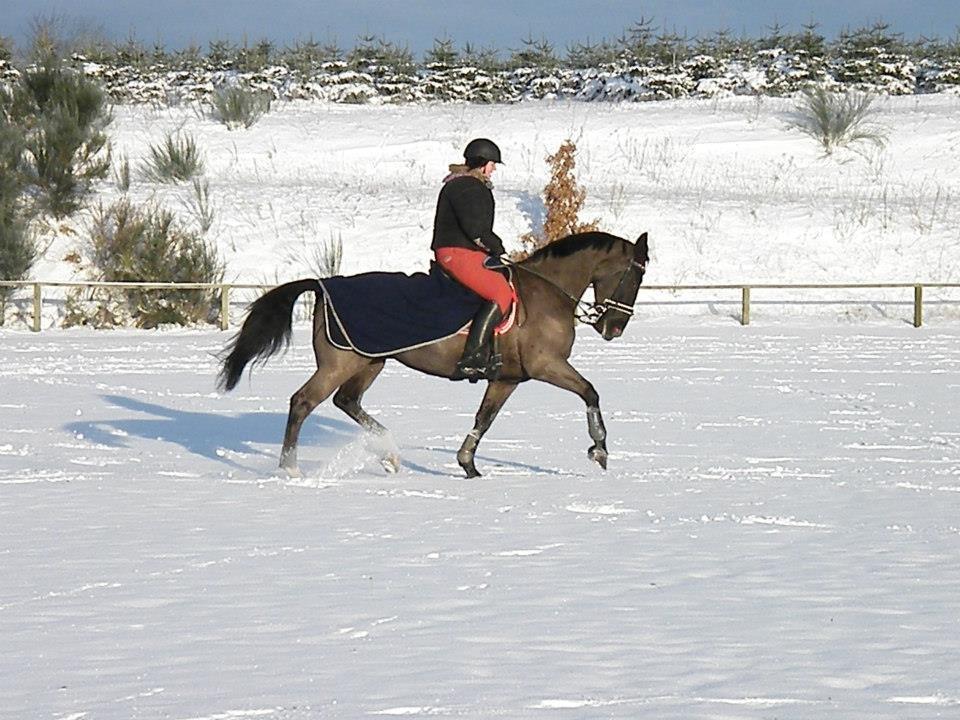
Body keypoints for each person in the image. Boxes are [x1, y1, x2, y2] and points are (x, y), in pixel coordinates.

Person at [431, 138, 514, 382]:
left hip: (465, 250)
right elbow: (477, 230)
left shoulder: (468, 184)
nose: (494, 169)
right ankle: (472, 357)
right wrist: (497, 249)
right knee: (501, 294)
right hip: (457, 252)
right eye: (492, 164)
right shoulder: (468, 186)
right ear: (483, 164)